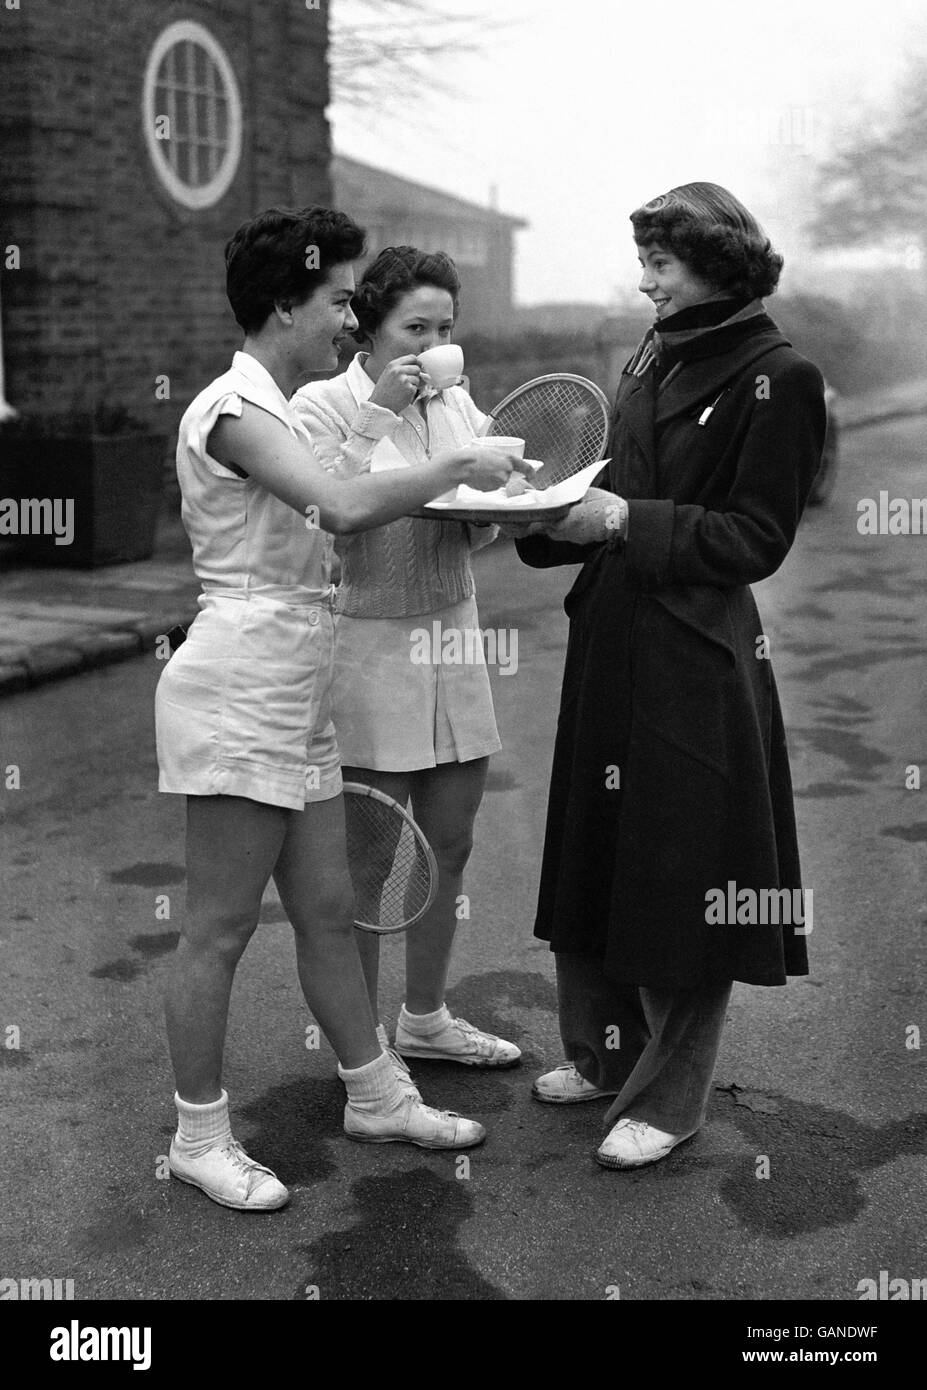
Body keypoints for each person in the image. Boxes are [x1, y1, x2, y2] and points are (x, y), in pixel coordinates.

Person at [155, 209, 526, 1211]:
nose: (350, 318)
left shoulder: (277, 405)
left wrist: (424, 438)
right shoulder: (231, 408)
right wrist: (461, 462)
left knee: (328, 908)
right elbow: (345, 506)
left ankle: (374, 1090)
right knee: (220, 927)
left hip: (302, 683)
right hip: (240, 683)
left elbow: (343, 475)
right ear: (286, 306)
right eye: (337, 302)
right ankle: (198, 1135)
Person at [511, 182, 826, 1169]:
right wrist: (543, 511)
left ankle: (673, 1096)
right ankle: (606, 1055)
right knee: (599, 850)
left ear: (716, 264)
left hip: (695, 652)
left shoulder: (783, 374)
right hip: (614, 635)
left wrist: (624, 523)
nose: (643, 280)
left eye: (661, 262)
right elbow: (614, 485)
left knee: (683, 870)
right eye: (642, 260)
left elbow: (757, 536)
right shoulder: (652, 352)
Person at [293, 246, 521, 1073]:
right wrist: (380, 416)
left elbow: (487, 513)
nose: (430, 346)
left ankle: (425, 1016)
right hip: (367, 641)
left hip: (453, 631)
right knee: (372, 858)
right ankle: (367, 1048)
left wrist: (502, 503)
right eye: (413, 328)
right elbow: (326, 511)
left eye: (444, 328)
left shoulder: (458, 401)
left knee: (450, 840)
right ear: (369, 327)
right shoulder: (322, 403)